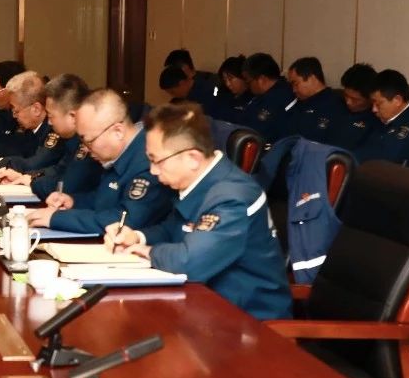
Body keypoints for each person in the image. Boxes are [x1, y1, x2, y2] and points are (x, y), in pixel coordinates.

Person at [104, 103, 292, 320]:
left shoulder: (233, 196)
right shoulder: (200, 182)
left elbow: (190, 262)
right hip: (206, 307)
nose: (153, 171)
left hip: (250, 321)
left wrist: (148, 252)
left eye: (157, 161)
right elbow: (172, 229)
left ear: (192, 158)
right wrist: (136, 237)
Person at [27, 88, 171, 234]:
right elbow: (105, 199)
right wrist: (73, 201)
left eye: (89, 141)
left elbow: (124, 221)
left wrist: (57, 218)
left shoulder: (149, 160)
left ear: (118, 132)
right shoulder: (120, 153)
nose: (86, 148)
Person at [0, 74, 101, 200]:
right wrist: (28, 177)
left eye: (51, 116)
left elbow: (68, 184)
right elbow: (58, 170)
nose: (49, 123)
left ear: (72, 116)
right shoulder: (73, 140)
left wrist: (32, 181)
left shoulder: (89, 142)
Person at [354, 69, 409, 165]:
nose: (374, 109)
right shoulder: (377, 117)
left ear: (397, 100)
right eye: (372, 103)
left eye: (378, 104)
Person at [285, 56, 346, 143]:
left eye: (296, 84)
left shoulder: (336, 105)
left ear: (312, 78)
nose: (294, 90)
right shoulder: (295, 102)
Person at [241, 52, 295, 143]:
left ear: (262, 79)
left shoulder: (286, 98)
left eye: (248, 82)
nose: (247, 86)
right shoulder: (256, 97)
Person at [334, 62, 379, 150]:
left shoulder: (376, 118)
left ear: (370, 98)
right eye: (346, 95)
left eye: (355, 99)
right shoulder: (337, 104)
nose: (348, 102)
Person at [212, 55, 250, 124]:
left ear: (243, 77)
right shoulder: (223, 94)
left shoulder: (253, 100)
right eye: (225, 80)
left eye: (230, 79)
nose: (228, 84)